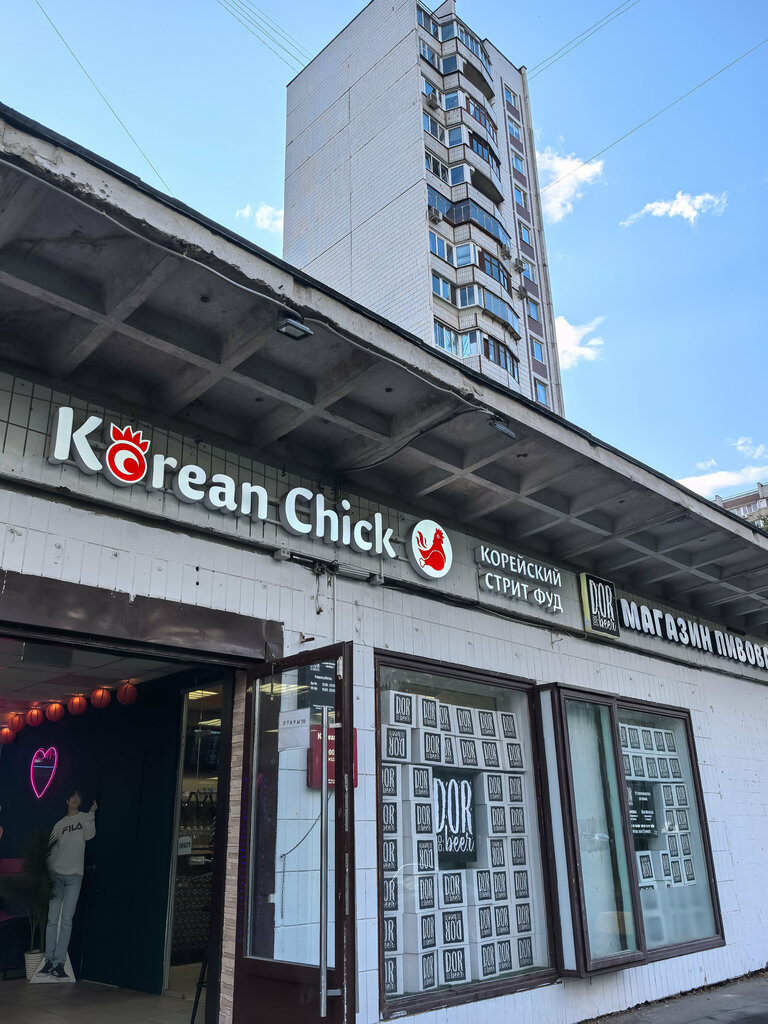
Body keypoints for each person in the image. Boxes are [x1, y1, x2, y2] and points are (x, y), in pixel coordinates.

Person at [39, 789, 97, 979]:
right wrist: (50, 869)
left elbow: (90, 835)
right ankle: (49, 960)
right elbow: (51, 848)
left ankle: (59, 963)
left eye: (78, 796)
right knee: (52, 919)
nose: (75, 799)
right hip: (57, 875)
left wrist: (92, 814)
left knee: (66, 920)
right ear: (67, 800)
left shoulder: (84, 817)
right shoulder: (60, 824)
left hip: (75, 875)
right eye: (72, 796)